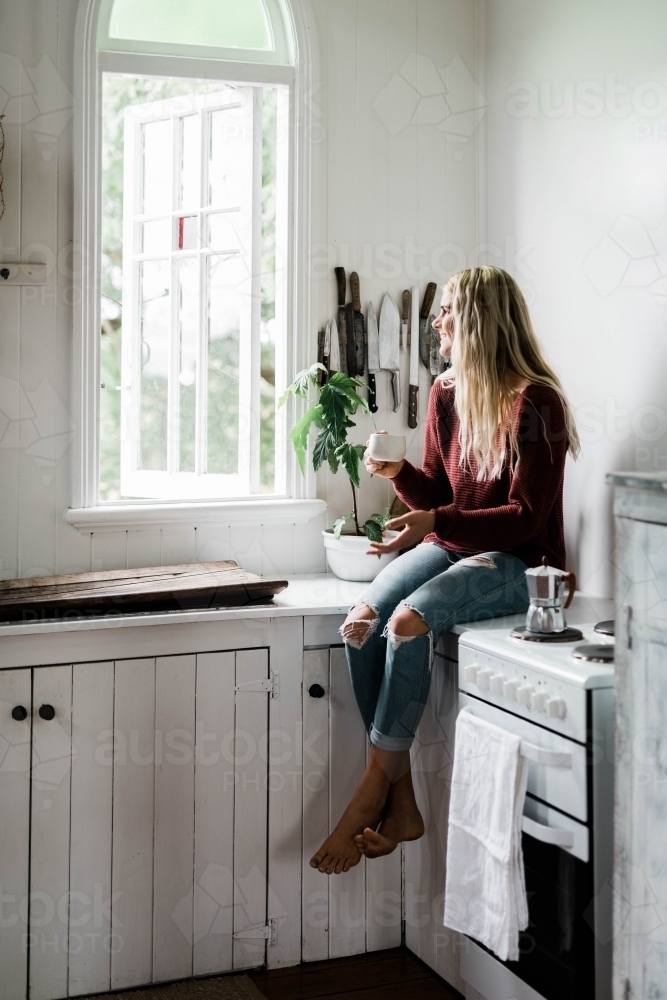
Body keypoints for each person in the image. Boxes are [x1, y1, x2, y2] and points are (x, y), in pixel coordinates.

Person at [309, 265, 581, 876]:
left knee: (407, 623)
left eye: (449, 311)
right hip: (459, 549)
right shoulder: (446, 392)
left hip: (521, 563)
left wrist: (432, 521)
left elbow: (524, 520)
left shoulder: (538, 402)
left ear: (480, 320)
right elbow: (436, 490)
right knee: (360, 622)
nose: (437, 322)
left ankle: (371, 793)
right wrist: (399, 476)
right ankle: (401, 801)